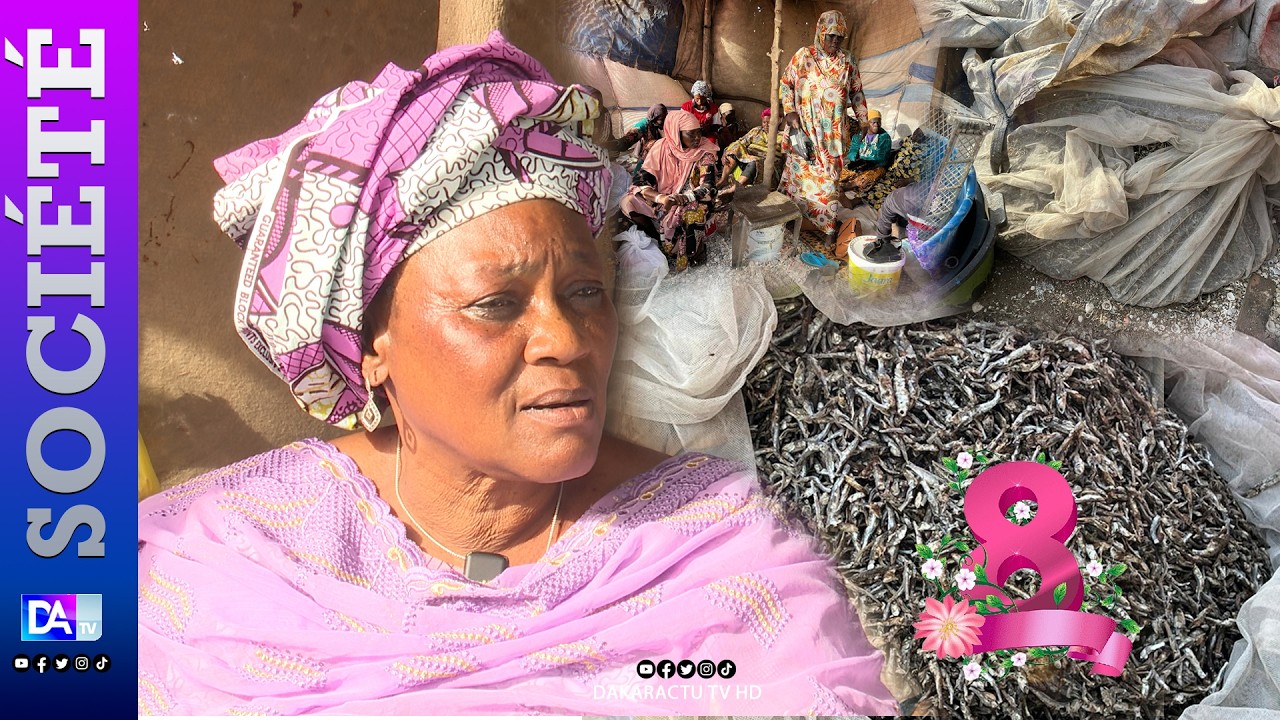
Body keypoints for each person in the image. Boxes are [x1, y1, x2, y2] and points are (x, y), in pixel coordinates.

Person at [137, 32, 897, 716]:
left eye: (584, 293)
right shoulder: (231, 556)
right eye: (497, 304)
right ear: (373, 347)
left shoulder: (713, 558)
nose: (566, 340)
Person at [779, 9, 868, 243]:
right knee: (800, 182)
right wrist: (789, 112)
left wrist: (863, 118)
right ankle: (792, 220)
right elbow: (786, 84)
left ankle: (827, 229)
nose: (835, 41)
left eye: (839, 37)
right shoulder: (803, 56)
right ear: (820, 32)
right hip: (805, 132)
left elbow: (857, 91)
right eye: (830, 36)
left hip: (832, 135)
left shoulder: (848, 60)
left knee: (829, 183)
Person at [620, 109, 719, 269]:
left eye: (698, 132)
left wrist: (685, 198)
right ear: (676, 134)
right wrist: (661, 198)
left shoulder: (704, 153)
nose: (697, 138)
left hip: (692, 198)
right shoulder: (660, 147)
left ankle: (695, 254)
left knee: (693, 214)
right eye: (690, 134)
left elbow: (708, 187)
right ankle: (658, 241)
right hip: (664, 198)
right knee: (628, 201)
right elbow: (642, 179)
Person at [717, 107, 790, 201]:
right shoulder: (756, 131)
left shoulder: (782, 136)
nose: (766, 125)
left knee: (754, 161)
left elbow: (784, 157)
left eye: (769, 122)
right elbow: (741, 142)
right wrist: (727, 151)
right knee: (735, 147)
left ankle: (735, 189)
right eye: (764, 122)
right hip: (747, 159)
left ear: (778, 122)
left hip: (766, 166)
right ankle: (723, 179)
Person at [843, 108, 893, 194]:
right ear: (867, 124)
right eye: (873, 122)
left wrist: (867, 162)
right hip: (860, 166)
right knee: (841, 172)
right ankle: (850, 184)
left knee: (867, 178)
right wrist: (855, 158)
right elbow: (852, 150)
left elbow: (882, 159)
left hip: (876, 167)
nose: (876, 125)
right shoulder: (859, 135)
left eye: (878, 122)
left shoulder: (884, 138)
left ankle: (849, 186)